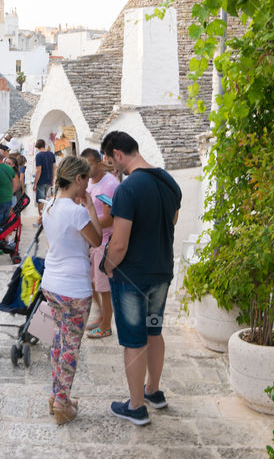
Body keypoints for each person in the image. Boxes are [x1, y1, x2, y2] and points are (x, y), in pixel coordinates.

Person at [101, 131, 181, 426]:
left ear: (118, 154)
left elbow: (119, 244)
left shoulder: (128, 189)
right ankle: (153, 391)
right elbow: (171, 221)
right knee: (153, 331)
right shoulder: (168, 182)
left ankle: (135, 407)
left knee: (133, 341)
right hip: (161, 273)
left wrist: (108, 266)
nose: (112, 167)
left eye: (111, 161)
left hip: (132, 279)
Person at [40, 155, 102, 425]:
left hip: (51, 284)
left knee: (58, 339)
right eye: (86, 178)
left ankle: (56, 396)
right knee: (71, 346)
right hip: (74, 288)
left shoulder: (50, 205)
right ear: (78, 179)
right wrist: (90, 208)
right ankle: (63, 404)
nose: (88, 183)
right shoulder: (76, 211)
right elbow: (97, 240)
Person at [81, 148, 119, 339]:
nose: (86, 169)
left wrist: (86, 225)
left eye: (89, 165)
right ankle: (102, 315)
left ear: (98, 163)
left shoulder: (110, 185)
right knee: (92, 283)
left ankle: (106, 325)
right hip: (92, 241)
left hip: (105, 241)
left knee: (103, 287)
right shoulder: (88, 183)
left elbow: (111, 218)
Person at [33, 139, 57, 218]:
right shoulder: (51, 154)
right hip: (49, 180)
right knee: (47, 200)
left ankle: (41, 218)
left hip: (41, 181)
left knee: (41, 200)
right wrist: (53, 179)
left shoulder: (39, 155)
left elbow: (38, 171)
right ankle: (46, 216)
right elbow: (54, 167)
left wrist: (35, 183)